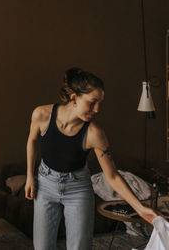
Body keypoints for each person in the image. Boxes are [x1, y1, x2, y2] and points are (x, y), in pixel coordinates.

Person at [25, 67, 159, 250]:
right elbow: (32, 141)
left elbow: (112, 177)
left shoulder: (95, 134)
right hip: (45, 184)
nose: (97, 109)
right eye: (92, 102)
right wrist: (30, 176)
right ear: (74, 98)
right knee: (42, 247)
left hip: (77, 189)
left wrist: (140, 208)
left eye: (100, 103)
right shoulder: (41, 115)